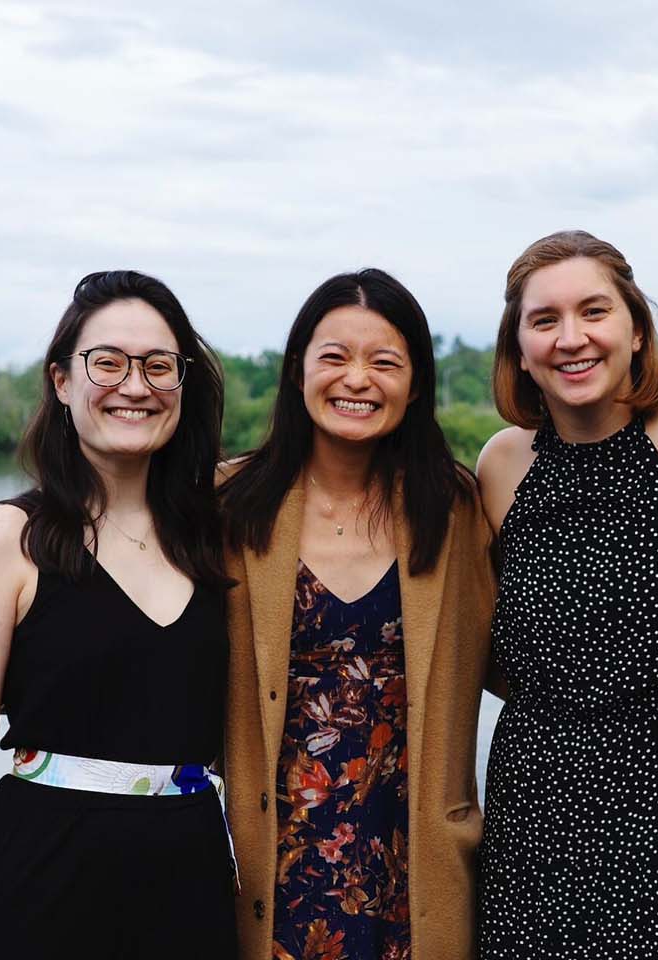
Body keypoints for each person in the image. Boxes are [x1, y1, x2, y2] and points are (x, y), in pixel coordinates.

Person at [0, 271, 235, 958]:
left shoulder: (218, 532)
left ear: (183, 384)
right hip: (44, 874)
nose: (134, 386)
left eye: (159, 366)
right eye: (108, 362)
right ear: (62, 381)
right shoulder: (7, 539)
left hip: (191, 880)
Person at [474, 230, 658, 959]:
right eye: (544, 321)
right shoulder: (501, 464)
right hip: (536, 822)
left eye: (594, 312)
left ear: (636, 328)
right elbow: (485, 641)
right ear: (519, 346)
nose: (572, 339)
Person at [222, 268, 495, 960]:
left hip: (408, 864)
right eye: (335, 356)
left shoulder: (454, 509)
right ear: (297, 370)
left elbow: (514, 645)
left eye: (385, 361)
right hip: (267, 864)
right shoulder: (229, 503)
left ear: (416, 381)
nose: (357, 379)